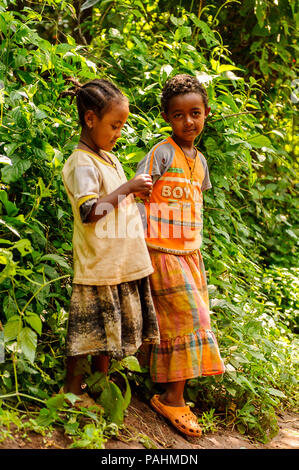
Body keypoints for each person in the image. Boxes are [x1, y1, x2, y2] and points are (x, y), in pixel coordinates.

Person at [61, 78, 160, 406]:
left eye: (122, 126)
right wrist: (128, 188)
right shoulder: (81, 163)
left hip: (118, 264)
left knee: (107, 336)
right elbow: (90, 211)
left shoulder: (109, 158)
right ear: (90, 119)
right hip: (97, 266)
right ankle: (72, 395)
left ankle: (100, 389)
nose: (119, 133)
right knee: (85, 336)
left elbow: (114, 203)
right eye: (114, 125)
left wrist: (133, 193)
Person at [136, 74, 225, 436]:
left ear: (205, 113)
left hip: (191, 254)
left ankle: (168, 391)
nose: (188, 122)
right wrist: (136, 244)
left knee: (178, 324)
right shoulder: (161, 152)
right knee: (192, 318)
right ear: (166, 117)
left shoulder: (200, 162)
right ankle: (172, 398)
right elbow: (139, 195)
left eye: (195, 113)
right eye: (178, 115)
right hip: (161, 253)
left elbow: (196, 203)